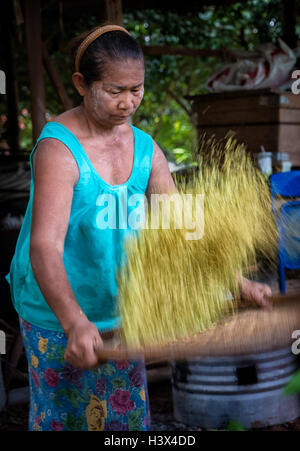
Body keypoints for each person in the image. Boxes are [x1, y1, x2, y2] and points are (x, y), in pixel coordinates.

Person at [5, 24, 272, 432]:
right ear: (81, 83)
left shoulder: (146, 149)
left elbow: (181, 227)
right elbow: (44, 247)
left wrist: (236, 281)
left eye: (137, 89)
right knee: (69, 418)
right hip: (58, 310)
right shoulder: (58, 150)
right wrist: (75, 322)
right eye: (115, 91)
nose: (128, 102)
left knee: (125, 419)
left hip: (122, 306)